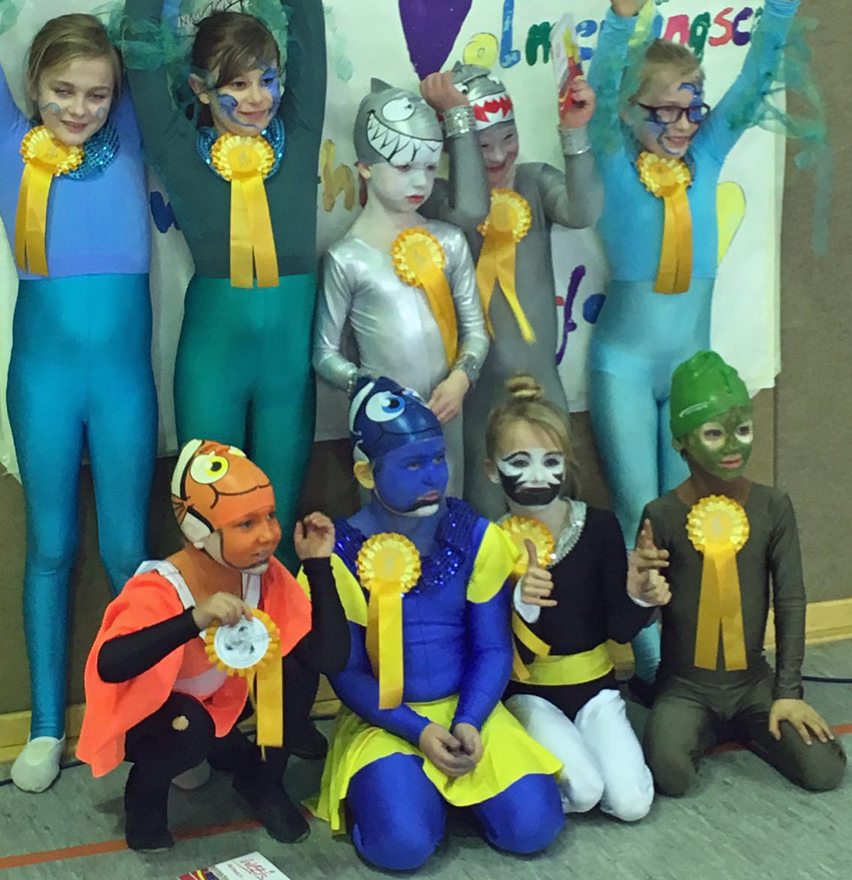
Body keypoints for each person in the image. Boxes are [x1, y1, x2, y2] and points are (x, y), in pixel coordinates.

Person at [0, 0, 157, 792]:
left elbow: (149, 33)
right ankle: (44, 725)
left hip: (121, 384)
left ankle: (141, 719)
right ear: (34, 85)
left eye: (97, 94)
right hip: (41, 379)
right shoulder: (8, 140)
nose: (80, 108)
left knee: (125, 551)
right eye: (64, 90)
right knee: (49, 546)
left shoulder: (133, 140)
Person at [586, 0, 830, 682]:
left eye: (693, 106)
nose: (684, 123)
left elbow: (755, 84)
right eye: (665, 110)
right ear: (631, 111)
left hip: (690, 367)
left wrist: (780, 4)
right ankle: (657, 668)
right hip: (625, 369)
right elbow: (598, 91)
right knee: (642, 512)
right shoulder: (612, 158)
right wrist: (621, 22)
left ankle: (699, 659)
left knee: (693, 514)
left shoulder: (709, 154)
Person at [122, 0, 326, 554]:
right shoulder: (178, 146)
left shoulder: (299, 129)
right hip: (212, 360)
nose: (258, 97)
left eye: (266, 78)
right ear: (201, 89)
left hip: (286, 370)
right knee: (211, 538)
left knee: (277, 536)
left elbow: (305, 8)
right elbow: (137, 34)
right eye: (236, 85)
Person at [311, 376, 564, 871]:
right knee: (402, 848)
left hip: (469, 707)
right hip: (383, 719)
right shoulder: (338, 553)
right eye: (412, 464)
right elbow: (347, 672)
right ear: (366, 473)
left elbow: (492, 649)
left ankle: (445, 797)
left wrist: (469, 719)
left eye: (437, 459)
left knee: (535, 828)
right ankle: (401, 798)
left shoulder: (475, 536)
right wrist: (418, 730)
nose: (432, 476)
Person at [77, 440, 350, 851]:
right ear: (199, 532)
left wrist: (317, 564)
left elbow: (329, 658)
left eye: (270, 516)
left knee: (293, 668)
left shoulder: (266, 574)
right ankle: (146, 797)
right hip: (150, 716)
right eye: (246, 524)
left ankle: (264, 782)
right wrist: (193, 619)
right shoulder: (160, 587)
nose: (268, 535)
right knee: (190, 729)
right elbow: (109, 665)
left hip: (222, 701)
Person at [641, 351, 846, 796]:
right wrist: (641, 592)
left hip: (752, 683)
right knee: (671, 775)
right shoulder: (662, 514)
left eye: (743, 430)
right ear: (680, 439)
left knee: (824, 772)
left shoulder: (773, 506)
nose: (732, 446)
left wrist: (788, 691)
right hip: (685, 687)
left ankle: (734, 724)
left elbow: (790, 598)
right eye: (714, 433)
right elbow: (642, 614)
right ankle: (660, 716)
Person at [421, 61, 601, 519]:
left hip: (542, 383)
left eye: (508, 137)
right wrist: (457, 117)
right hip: (478, 392)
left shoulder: (534, 182)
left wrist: (575, 132)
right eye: (481, 145)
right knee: (487, 515)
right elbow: (471, 211)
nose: (499, 155)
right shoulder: (440, 199)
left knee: (553, 511)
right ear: (454, 145)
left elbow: (583, 211)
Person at [486, 374, 668, 821]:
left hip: (596, 689)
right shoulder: (488, 542)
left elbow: (619, 629)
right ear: (492, 469)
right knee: (583, 792)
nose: (536, 475)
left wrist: (642, 599)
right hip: (528, 694)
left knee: (631, 804)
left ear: (566, 466)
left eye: (551, 461)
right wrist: (521, 604)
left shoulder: (600, 527)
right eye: (519, 461)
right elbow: (487, 645)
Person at [313, 82, 489, 495]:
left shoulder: (449, 241)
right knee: (385, 523)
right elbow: (324, 354)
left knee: (446, 511)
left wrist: (461, 379)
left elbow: (476, 331)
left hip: (447, 412)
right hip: (382, 423)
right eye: (404, 167)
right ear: (365, 167)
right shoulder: (347, 258)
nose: (421, 182)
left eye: (430, 167)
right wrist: (373, 389)